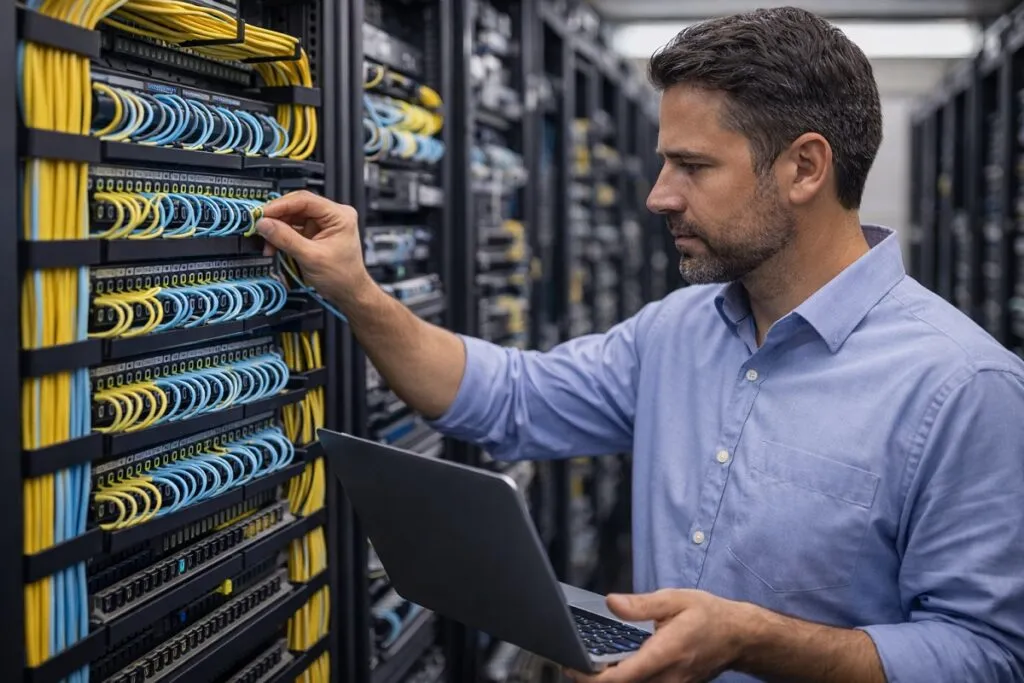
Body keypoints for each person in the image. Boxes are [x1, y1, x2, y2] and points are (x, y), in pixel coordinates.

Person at [256, 7, 1024, 682]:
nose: (659, 195)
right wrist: (356, 290)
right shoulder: (677, 331)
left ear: (805, 167)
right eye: (664, 161)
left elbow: (987, 655)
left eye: (692, 166)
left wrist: (753, 640)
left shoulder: (963, 386)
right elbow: (506, 396)